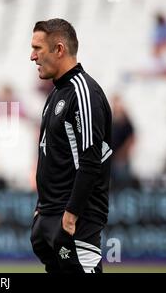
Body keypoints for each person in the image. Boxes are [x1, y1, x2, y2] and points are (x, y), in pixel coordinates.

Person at [29, 19, 112, 273]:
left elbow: (90, 161)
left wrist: (71, 214)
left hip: (75, 223)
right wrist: (40, 211)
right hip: (50, 218)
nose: (32, 56)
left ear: (59, 49)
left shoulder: (84, 92)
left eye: (38, 48)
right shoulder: (55, 94)